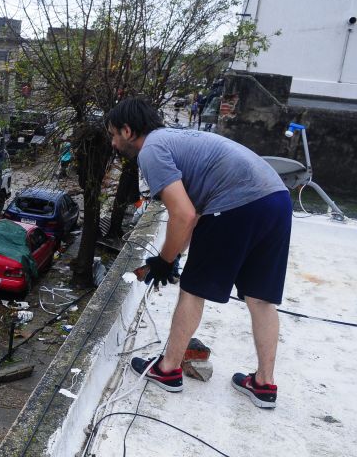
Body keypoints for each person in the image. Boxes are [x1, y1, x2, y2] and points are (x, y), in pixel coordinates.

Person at [106, 97, 292, 409]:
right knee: (261, 299)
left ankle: (168, 370)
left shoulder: (151, 151)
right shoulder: (178, 137)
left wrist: (164, 261)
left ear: (128, 131)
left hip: (237, 203)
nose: (112, 143)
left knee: (192, 290)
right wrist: (174, 254)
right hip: (276, 199)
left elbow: (185, 215)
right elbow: (193, 216)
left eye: (113, 134)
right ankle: (264, 384)